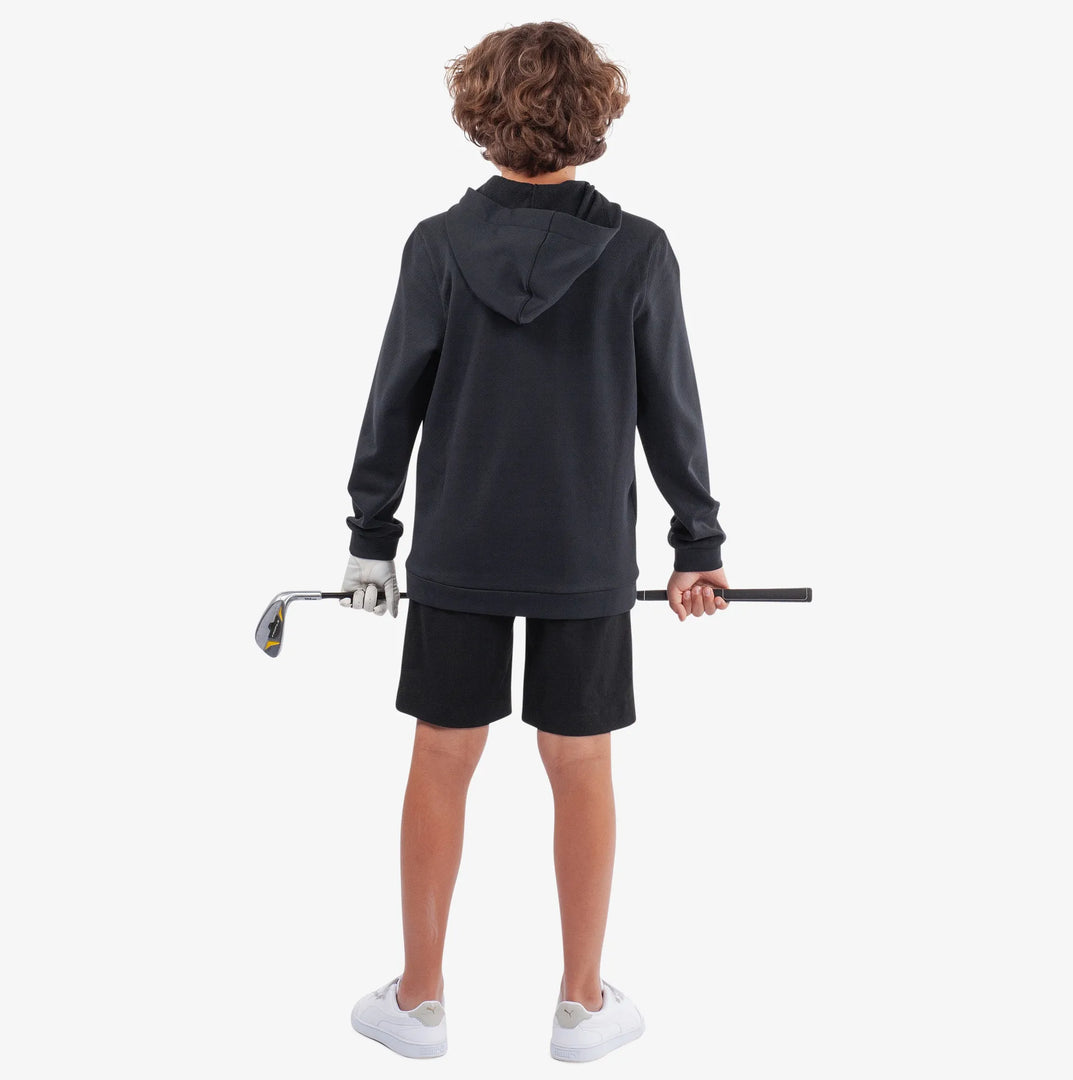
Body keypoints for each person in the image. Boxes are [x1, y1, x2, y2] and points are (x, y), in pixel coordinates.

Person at [339, 20, 729, 1063]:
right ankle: (583, 1005)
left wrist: (371, 537)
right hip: (583, 555)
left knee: (441, 755)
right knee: (581, 761)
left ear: (479, 112)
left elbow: (392, 404)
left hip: (460, 548)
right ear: (597, 112)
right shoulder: (638, 250)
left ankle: (418, 1001)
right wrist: (697, 544)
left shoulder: (438, 244)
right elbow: (672, 411)